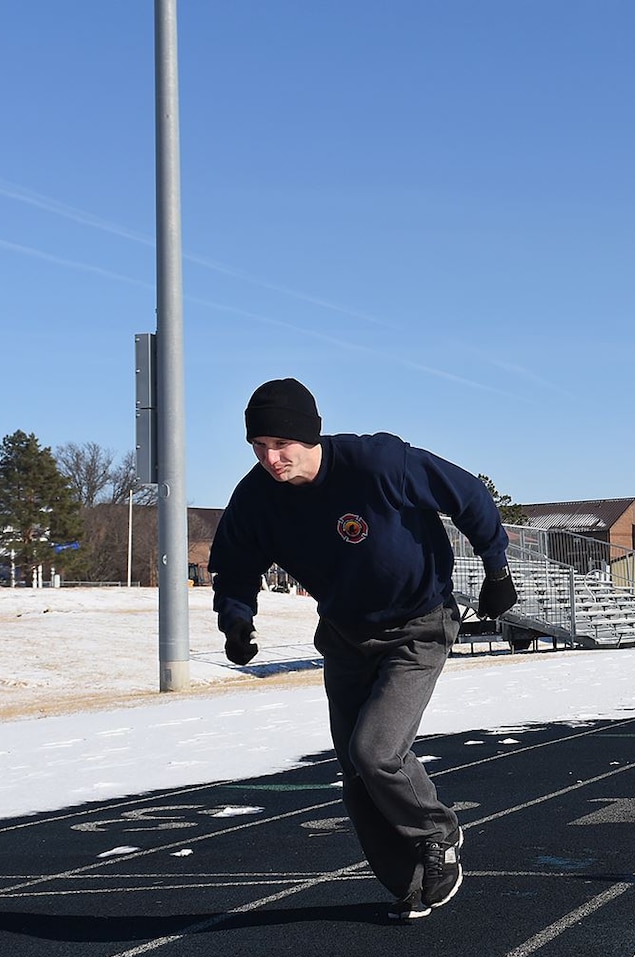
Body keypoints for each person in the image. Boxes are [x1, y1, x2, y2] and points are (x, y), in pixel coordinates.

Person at [208, 378, 518, 920]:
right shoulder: (256, 498)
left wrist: (496, 570)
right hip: (346, 635)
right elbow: (234, 567)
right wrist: (237, 621)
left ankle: (439, 834)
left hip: (419, 624)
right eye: (259, 447)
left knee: (376, 752)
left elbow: (467, 495)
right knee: (355, 773)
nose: (271, 458)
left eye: (281, 445)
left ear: (310, 435)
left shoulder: (378, 463)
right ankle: (411, 883)